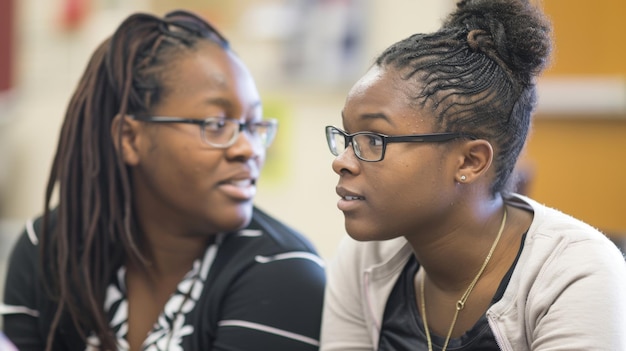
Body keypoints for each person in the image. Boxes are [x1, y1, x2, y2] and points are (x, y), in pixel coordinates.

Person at [1, 9, 325, 351]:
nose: (249, 149)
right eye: (216, 124)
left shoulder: (282, 272)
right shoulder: (52, 248)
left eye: (254, 126)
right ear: (129, 138)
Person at [320, 0, 626, 350]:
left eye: (373, 139)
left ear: (470, 161)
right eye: (346, 137)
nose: (342, 161)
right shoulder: (366, 259)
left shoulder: (573, 271)